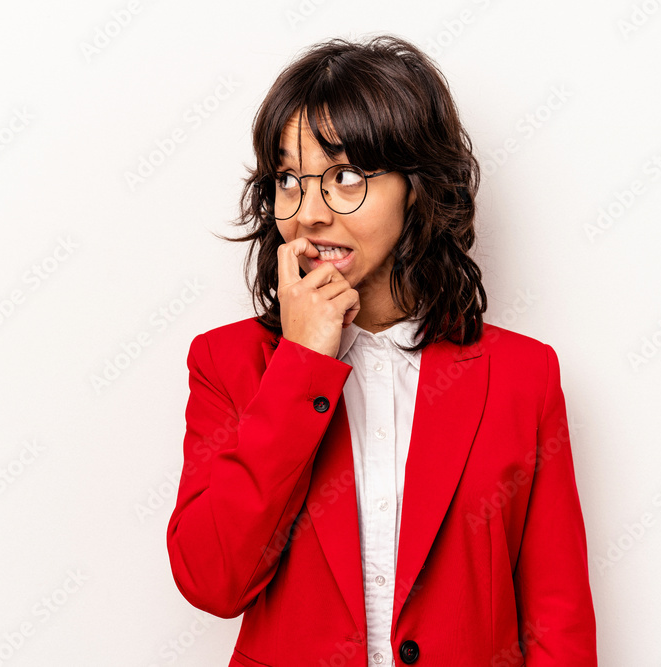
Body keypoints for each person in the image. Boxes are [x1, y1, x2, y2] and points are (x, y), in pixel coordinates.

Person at [166, 34, 597, 666]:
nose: (308, 212)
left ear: (416, 187)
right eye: (289, 180)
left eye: (344, 177)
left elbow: (557, 622)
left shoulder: (522, 377)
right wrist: (302, 364)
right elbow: (212, 581)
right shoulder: (227, 365)